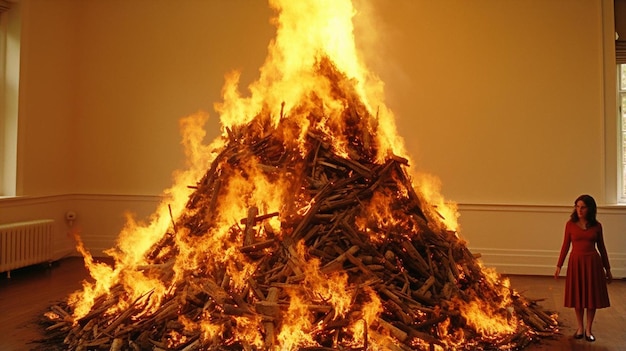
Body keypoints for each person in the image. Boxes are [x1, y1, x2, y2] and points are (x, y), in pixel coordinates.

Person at [554, 194, 612, 342]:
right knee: (578, 296)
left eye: (583, 207)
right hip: (576, 263)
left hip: (593, 263)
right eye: (577, 206)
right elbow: (565, 246)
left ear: (590, 209)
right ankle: (580, 328)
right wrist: (558, 266)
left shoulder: (597, 226)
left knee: (591, 298)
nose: (579, 210)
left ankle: (588, 330)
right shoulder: (570, 224)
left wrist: (608, 269)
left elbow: (602, 248)